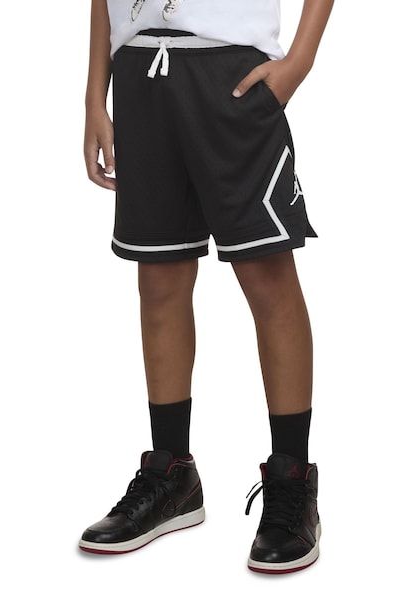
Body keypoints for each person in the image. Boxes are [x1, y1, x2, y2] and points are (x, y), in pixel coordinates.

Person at [79, 0, 334, 574]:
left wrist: (299, 61)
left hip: (232, 75)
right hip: (140, 74)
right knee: (159, 279)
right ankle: (172, 474)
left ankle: (292, 479)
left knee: (267, 277)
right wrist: (96, 94)